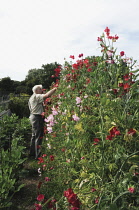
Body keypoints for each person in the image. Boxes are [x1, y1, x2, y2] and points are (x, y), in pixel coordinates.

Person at [28, 84, 57, 159]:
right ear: (36, 91)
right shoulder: (36, 96)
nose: (42, 90)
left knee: (34, 136)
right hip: (37, 117)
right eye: (40, 89)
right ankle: (38, 156)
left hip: (33, 116)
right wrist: (55, 88)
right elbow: (47, 95)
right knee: (39, 136)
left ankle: (32, 153)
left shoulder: (32, 97)